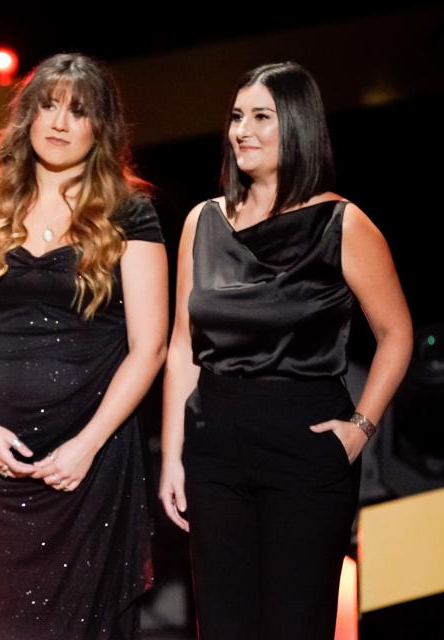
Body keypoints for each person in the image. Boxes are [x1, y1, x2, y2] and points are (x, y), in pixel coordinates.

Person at [158, 61, 412, 640]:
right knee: (222, 627)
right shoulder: (203, 221)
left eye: (261, 117)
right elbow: (181, 347)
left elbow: (397, 334)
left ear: (296, 126)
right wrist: (173, 455)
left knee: (294, 625)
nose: (241, 130)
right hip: (214, 446)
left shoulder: (341, 223)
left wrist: (361, 427)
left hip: (305, 443)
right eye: (236, 116)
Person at [0, 53, 168, 640]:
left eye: (78, 111)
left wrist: (87, 446)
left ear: (101, 127)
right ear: (27, 116)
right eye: (48, 105)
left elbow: (151, 346)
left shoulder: (128, 213)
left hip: (91, 458)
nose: (60, 123)